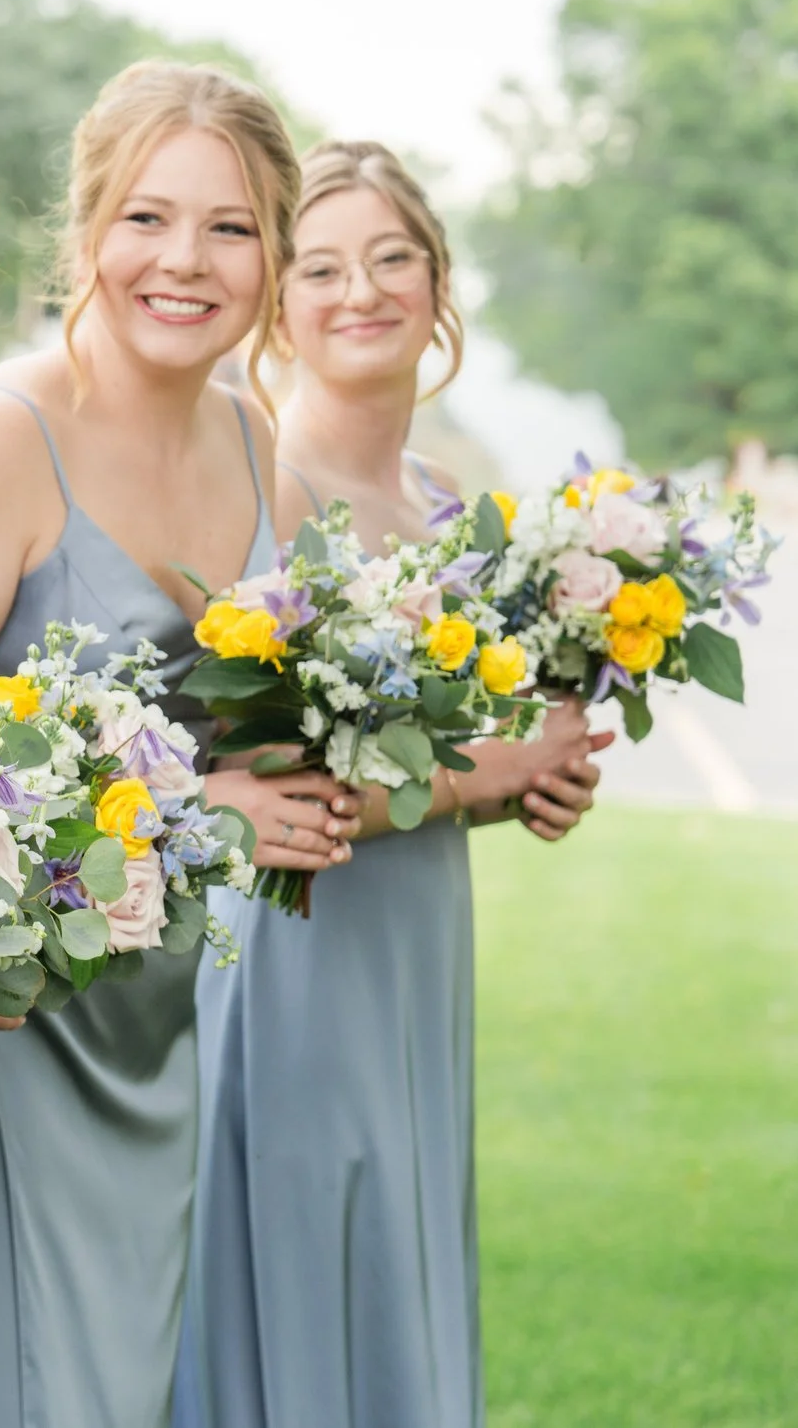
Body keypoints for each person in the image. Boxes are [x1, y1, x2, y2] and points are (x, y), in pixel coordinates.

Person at [0, 60, 352, 1428]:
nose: (186, 260)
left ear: (274, 251)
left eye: (230, 227)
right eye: (148, 217)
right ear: (87, 226)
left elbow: (258, 750)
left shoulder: (256, 437)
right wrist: (191, 805)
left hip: (150, 1030)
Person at [178, 139, 609, 1428]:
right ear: (279, 301)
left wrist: (540, 784)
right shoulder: (260, 491)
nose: (360, 290)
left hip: (417, 940)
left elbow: (469, 751)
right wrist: (493, 774)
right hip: (298, 944)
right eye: (319, 265)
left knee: (403, 1227)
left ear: (437, 281)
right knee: (315, 1235)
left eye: (391, 258)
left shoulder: (441, 504)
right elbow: (258, 788)